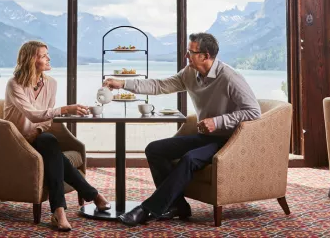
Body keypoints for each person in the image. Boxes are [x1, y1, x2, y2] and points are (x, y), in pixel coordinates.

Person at [103, 32, 261, 227]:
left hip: (229, 141)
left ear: (205, 56)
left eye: (190, 52)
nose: (186, 56)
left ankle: (148, 209)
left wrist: (218, 122)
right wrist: (123, 83)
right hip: (206, 137)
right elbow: (159, 85)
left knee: (190, 158)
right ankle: (178, 206)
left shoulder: (229, 77)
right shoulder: (189, 73)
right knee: (155, 149)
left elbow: (254, 112)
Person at [4, 40, 110, 232]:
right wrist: (65, 109)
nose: (49, 58)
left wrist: (36, 132)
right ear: (30, 60)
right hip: (16, 141)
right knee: (54, 152)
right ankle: (92, 194)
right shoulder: (14, 84)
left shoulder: (51, 83)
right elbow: (33, 114)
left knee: (50, 143)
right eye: (44, 55)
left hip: (37, 137)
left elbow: (45, 120)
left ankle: (59, 211)